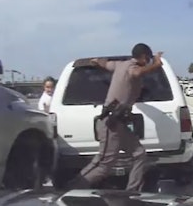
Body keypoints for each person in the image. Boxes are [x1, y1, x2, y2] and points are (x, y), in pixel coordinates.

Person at [66, 43, 163, 191]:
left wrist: (96, 61)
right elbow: (136, 73)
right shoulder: (132, 67)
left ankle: (132, 192)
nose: (149, 61)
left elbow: (105, 64)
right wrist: (156, 64)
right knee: (104, 165)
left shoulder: (119, 65)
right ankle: (71, 190)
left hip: (119, 123)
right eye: (148, 59)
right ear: (143, 57)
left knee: (139, 154)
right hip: (111, 123)